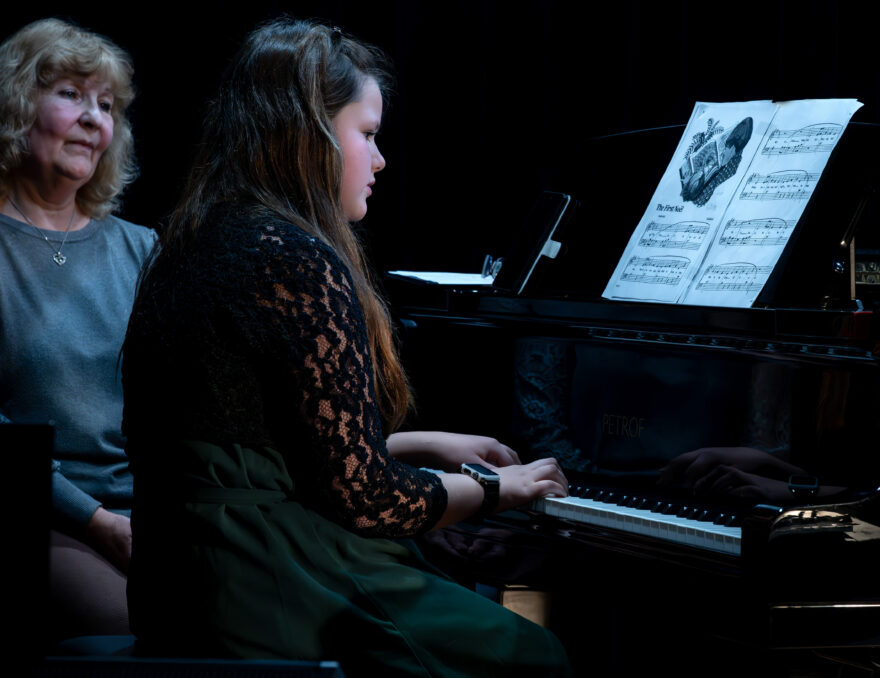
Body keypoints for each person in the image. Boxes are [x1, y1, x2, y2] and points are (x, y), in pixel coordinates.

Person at [121, 17, 572, 676]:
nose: (381, 160)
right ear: (309, 133)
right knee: (533, 655)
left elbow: (263, 449)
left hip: (175, 578)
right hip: (261, 578)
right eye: (367, 134)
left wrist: (422, 443)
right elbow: (368, 499)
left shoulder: (191, 242)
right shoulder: (293, 258)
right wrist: (496, 486)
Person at [0, 18, 155, 640]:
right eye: (71, 94)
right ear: (12, 107)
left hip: (151, 512)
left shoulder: (143, 248)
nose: (95, 119)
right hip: (36, 516)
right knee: (148, 628)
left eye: (106, 105)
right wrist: (99, 522)